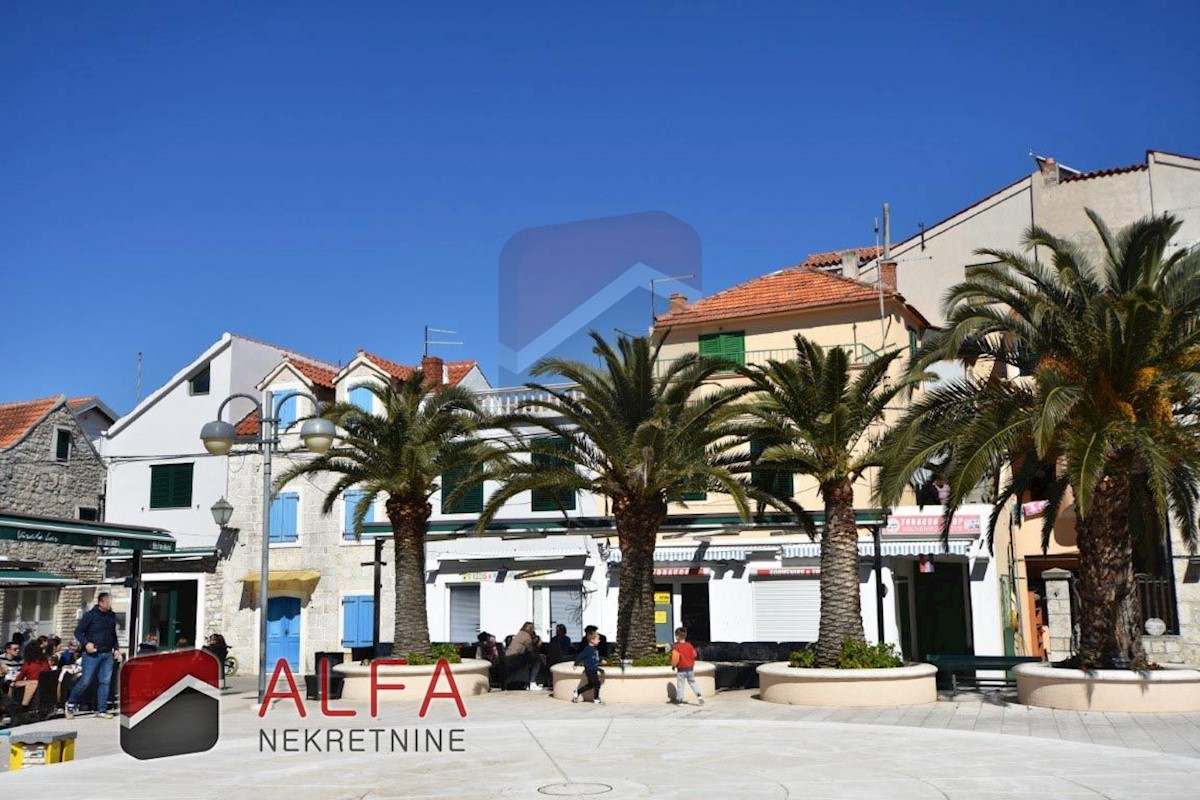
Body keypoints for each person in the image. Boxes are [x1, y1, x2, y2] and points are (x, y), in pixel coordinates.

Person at [66, 592, 121, 720]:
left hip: (107, 653)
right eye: (108, 602)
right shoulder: (90, 616)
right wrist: (86, 644)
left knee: (105, 682)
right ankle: (70, 703)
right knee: (85, 681)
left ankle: (101, 710)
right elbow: (78, 632)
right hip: (92, 654)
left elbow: (113, 634)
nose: (110, 604)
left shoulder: (111, 616)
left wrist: (116, 648)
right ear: (101, 602)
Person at [8, 641, 51, 709]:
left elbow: (21, 675)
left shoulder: (29, 663)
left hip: (33, 683)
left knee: (14, 684)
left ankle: (16, 703)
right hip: (45, 684)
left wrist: (15, 681)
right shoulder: (44, 661)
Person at [670, 627, 704, 705]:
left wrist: (673, 666)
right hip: (690, 669)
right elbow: (694, 655)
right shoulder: (689, 645)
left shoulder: (677, 647)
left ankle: (680, 700)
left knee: (681, 685)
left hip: (681, 670)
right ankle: (699, 696)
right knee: (692, 682)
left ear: (677, 636)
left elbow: (675, 658)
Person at [505, 622, 542, 690]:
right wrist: (537, 643)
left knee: (529, 660)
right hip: (514, 658)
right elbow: (531, 650)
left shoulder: (520, 634)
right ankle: (532, 682)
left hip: (508, 658)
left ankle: (526, 683)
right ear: (531, 629)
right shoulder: (527, 636)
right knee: (537, 661)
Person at [571, 631, 604, 705]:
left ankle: (578, 692)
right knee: (597, 683)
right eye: (597, 639)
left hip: (594, 669)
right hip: (589, 669)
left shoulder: (595, 649)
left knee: (592, 684)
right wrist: (576, 663)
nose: (599, 641)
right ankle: (596, 698)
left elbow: (596, 658)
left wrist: (601, 661)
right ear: (592, 640)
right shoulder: (588, 649)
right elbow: (580, 656)